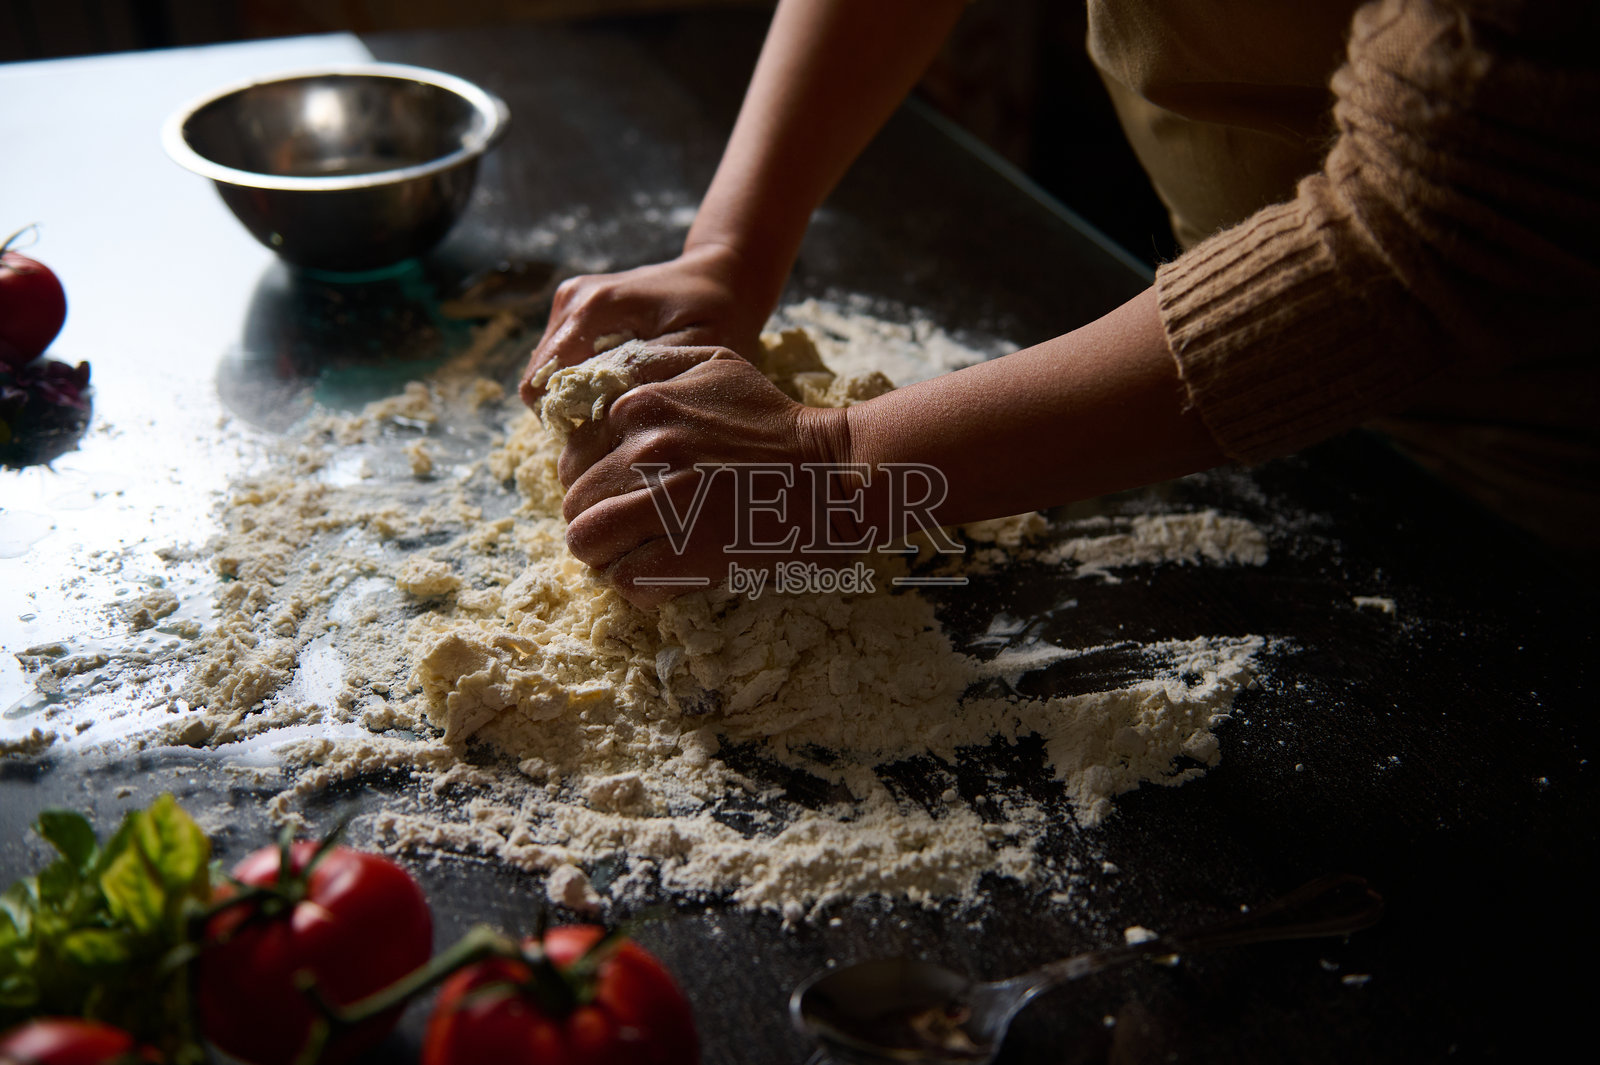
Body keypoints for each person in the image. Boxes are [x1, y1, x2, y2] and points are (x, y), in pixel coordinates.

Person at [520, 0, 1599, 607]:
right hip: (1228, 381)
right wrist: (730, 248)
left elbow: (1447, 229)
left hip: (1536, 479)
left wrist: (833, 469)